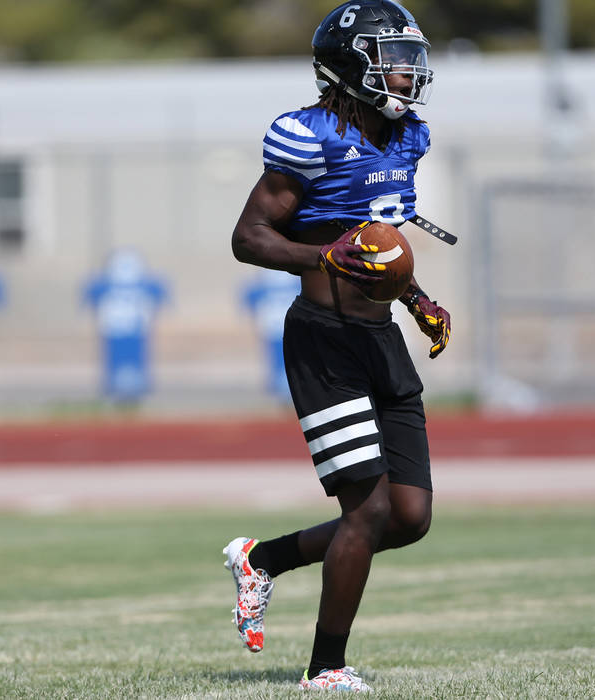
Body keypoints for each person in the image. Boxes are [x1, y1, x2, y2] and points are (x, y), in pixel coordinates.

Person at [224, 1, 452, 692]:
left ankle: (262, 558)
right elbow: (248, 239)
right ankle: (326, 669)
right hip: (323, 342)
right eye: (393, 60)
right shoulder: (308, 136)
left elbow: (385, 248)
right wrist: (322, 258)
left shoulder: (407, 138)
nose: (409, 74)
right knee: (369, 510)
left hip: (379, 336)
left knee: (408, 516)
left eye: (411, 60)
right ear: (352, 66)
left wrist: (416, 302)